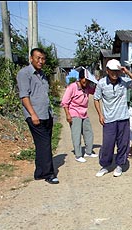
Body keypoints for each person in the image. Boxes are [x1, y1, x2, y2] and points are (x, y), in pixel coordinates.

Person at [16, 47, 59, 184]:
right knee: (45, 144)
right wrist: (33, 114)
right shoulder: (24, 74)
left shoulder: (42, 75)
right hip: (35, 115)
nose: (41, 61)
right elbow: (24, 96)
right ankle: (49, 173)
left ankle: (39, 172)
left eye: (43, 58)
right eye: (38, 58)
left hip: (46, 114)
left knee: (42, 145)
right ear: (31, 58)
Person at [93, 59, 132, 177]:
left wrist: (128, 72)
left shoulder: (124, 81)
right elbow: (96, 99)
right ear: (107, 70)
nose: (115, 73)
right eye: (112, 71)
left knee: (123, 144)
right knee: (108, 144)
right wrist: (100, 114)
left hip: (123, 118)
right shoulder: (102, 83)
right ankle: (105, 166)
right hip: (109, 119)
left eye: (117, 71)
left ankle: (120, 165)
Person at [61, 67, 98, 163]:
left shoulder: (87, 88)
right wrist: (67, 115)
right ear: (80, 78)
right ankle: (78, 155)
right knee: (76, 134)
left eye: (88, 81)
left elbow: (95, 91)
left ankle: (88, 152)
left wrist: (96, 82)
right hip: (74, 113)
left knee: (88, 132)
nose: (86, 82)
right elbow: (64, 102)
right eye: (85, 80)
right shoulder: (73, 87)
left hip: (84, 113)